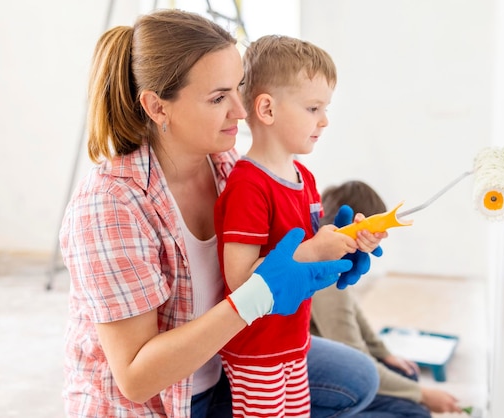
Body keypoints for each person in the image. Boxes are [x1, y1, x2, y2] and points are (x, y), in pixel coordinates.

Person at [58, 10, 380, 418]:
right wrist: (257, 295)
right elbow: (136, 379)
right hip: (159, 401)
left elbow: (285, 252)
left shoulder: (227, 165)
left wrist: (335, 245)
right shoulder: (110, 205)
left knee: (357, 379)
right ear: (158, 107)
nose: (241, 112)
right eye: (217, 98)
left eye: (237, 89)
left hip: (228, 364)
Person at [213, 35, 386, 417]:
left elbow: (305, 267)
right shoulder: (248, 186)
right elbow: (240, 281)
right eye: (313, 108)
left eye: (325, 108)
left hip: (293, 344)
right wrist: (313, 251)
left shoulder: (303, 178)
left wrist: (347, 244)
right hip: (257, 353)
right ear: (267, 109)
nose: (324, 120)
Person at [311, 180, 463, 417]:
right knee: (413, 411)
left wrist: (384, 354)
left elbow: (352, 313)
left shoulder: (336, 261)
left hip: (339, 362)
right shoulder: (325, 273)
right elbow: (354, 356)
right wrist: (422, 393)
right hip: (327, 376)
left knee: (405, 376)